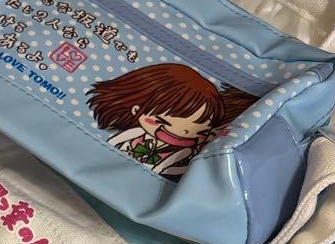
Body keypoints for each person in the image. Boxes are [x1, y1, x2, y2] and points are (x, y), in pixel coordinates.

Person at [87, 63, 255, 177]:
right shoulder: (135, 133)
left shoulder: (186, 153)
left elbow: (172, 169)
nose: (184, 131)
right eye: (164, 122)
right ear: (136, 111)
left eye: (201, 130)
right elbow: (115, 141)